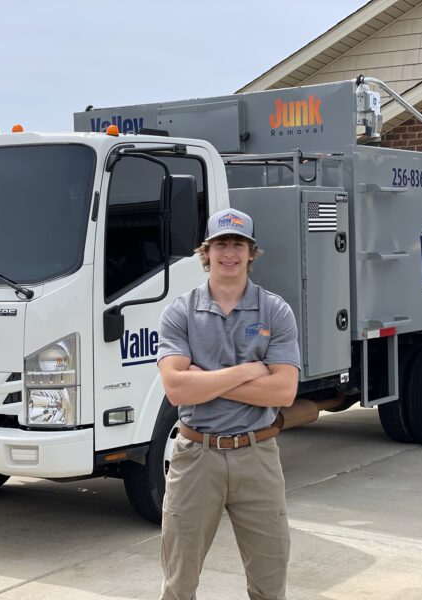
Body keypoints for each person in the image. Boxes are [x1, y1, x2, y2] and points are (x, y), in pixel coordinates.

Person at [156, 208, 301, 600]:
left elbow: (283, 392)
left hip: (257, 455)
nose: (229, 253)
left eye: (239, 244)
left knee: (270, 583)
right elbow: (176, 391)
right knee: (179, 583)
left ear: (252, 252)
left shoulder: (276, 311)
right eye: (221, 244)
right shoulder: (180, 312)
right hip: (195, 457)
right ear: (206, 251)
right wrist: (247, 372)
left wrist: (205, 380)